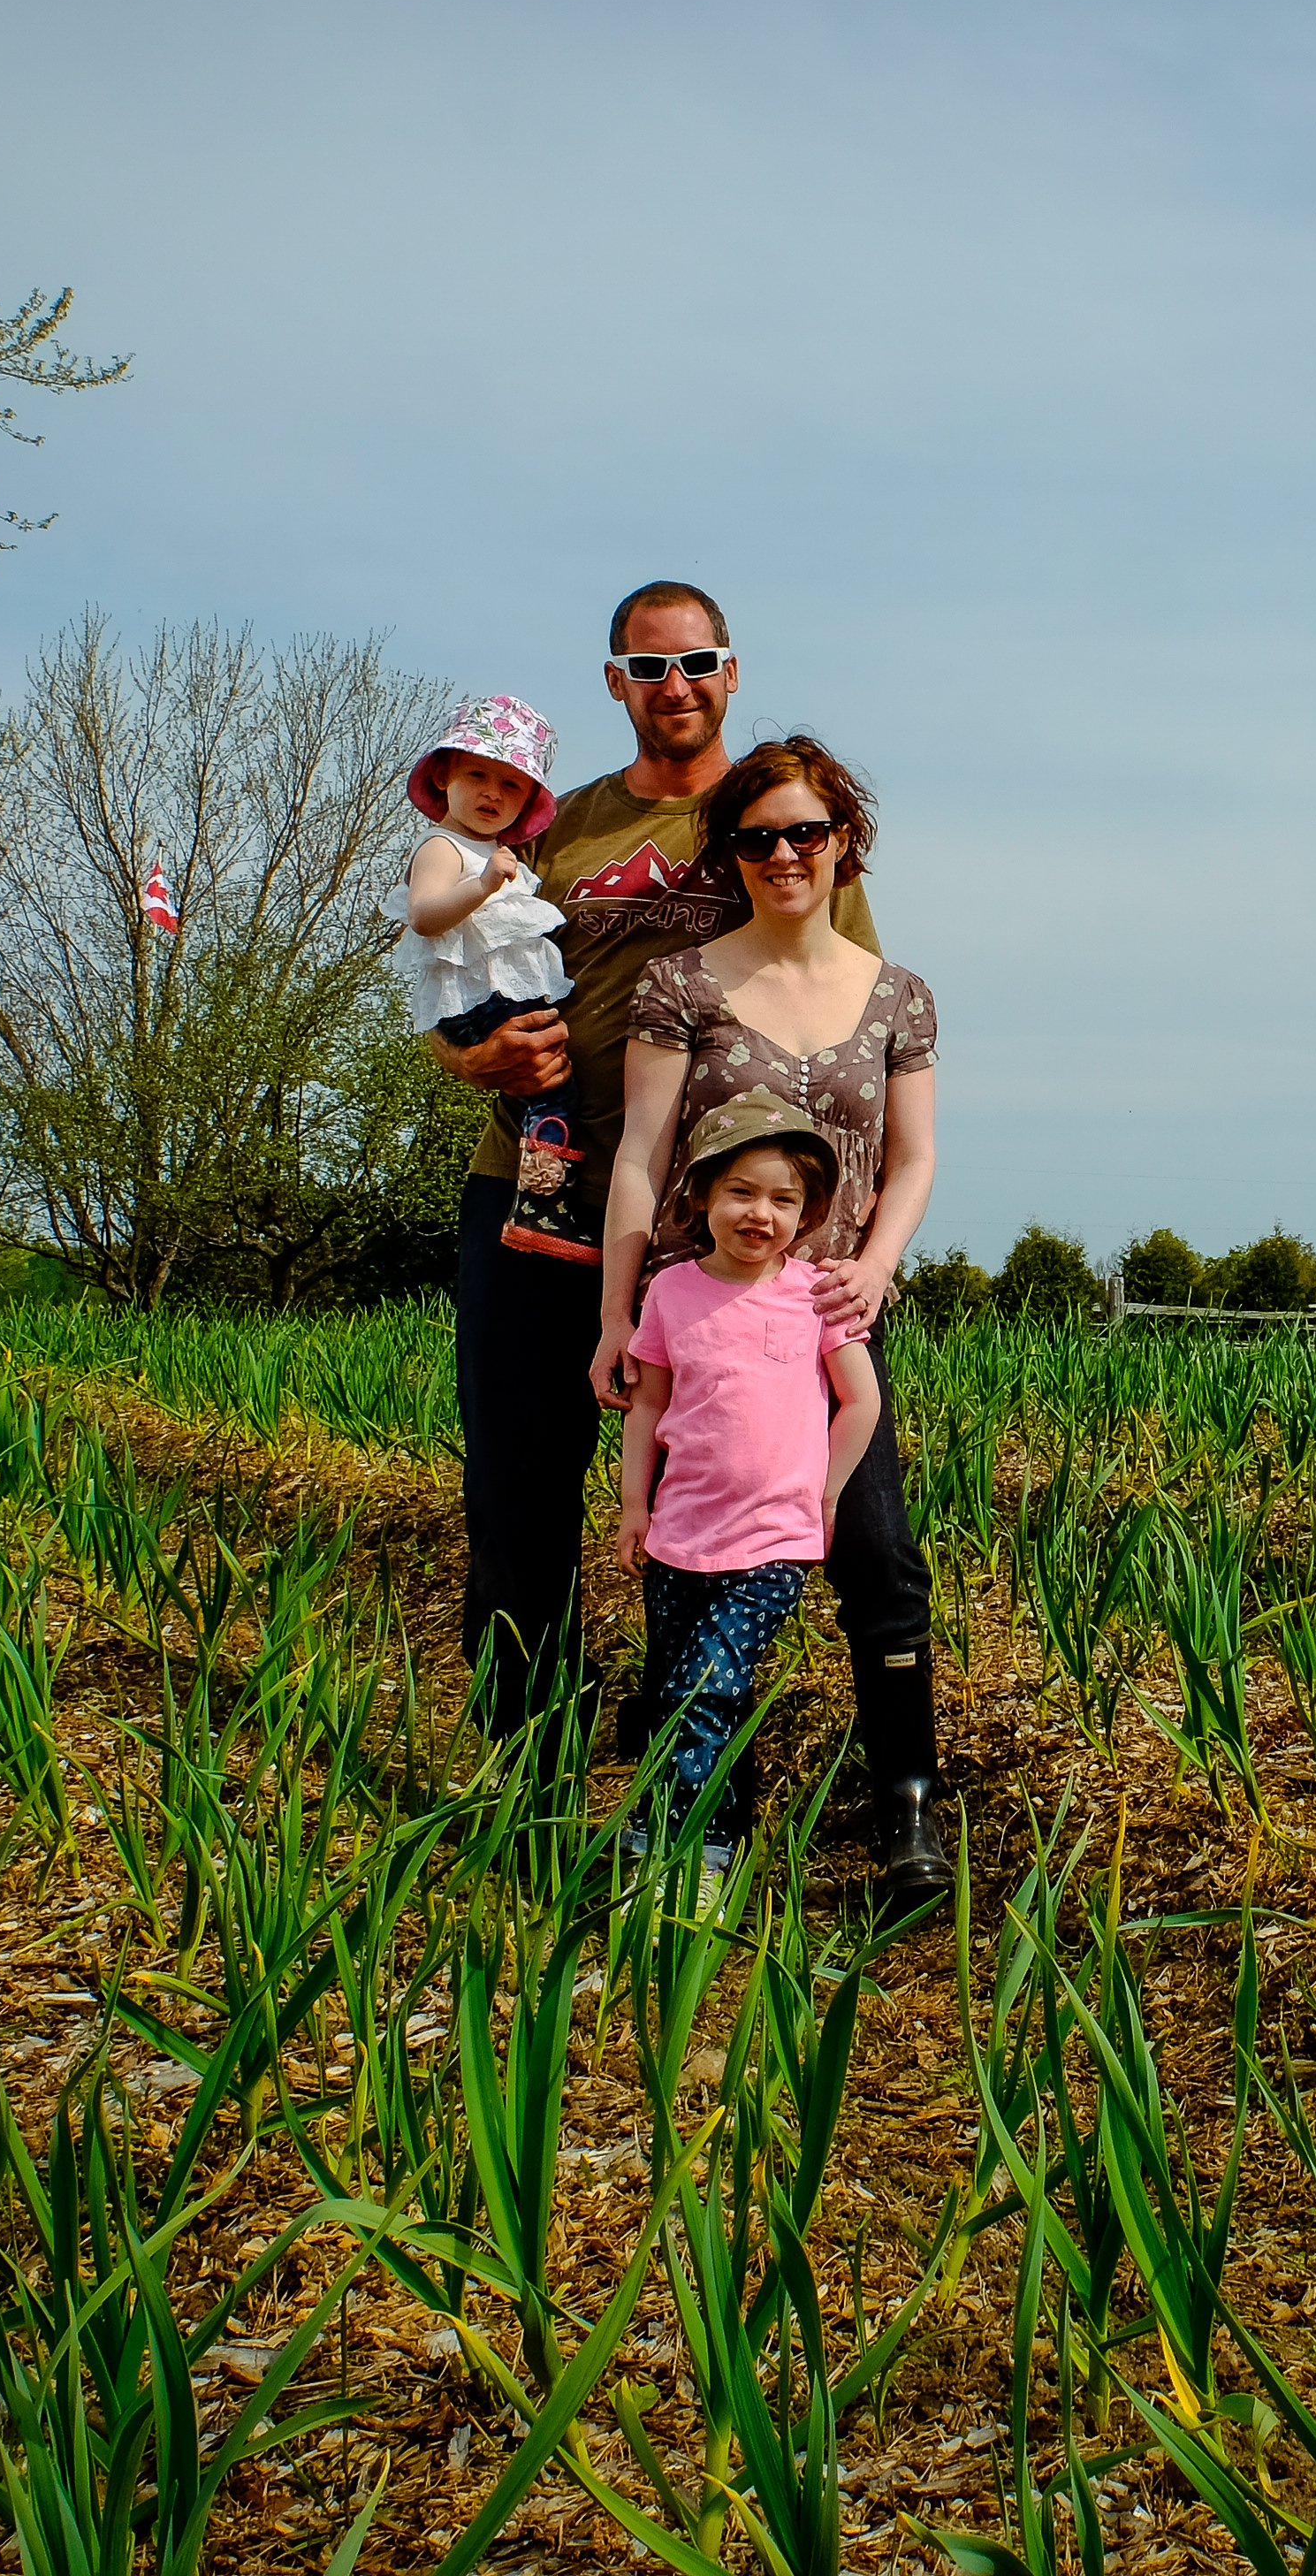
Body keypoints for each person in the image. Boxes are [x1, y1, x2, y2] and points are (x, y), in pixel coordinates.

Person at [427, 583, 950, 1902]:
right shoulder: (561, 825)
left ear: (732, 672)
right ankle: (532, 1799)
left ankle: (739, 1791)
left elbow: (851, 1023)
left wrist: (856, 1245)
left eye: (699, 661)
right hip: (545, 1203)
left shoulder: (781, 816)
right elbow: (457, 970)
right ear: (614, 682)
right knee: (520, 1515)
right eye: (648, 666)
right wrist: (470, 1055)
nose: (677, 684)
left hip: (737, 1240)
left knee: (765, 1516)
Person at [594, 730, 943, 1895]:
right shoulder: (680, 986)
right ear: (731, 856)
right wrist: (616, 1315)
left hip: (832, 1314)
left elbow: (913, 1156)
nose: (785, 854)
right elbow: (641, 1157)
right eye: (758, 838)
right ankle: (703, 1820)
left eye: (808, 831)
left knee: (879, 1555)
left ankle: (905, 1814)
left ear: (846, 844)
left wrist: (879, 1265)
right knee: (687, 1564)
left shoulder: (898, 996)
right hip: (705, 1319)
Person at [612, 1090, 886, 1885]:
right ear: (700, 1197)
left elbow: (860, 1399)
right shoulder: (668, 1292)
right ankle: (722, 1834)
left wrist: (827, 1496)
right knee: (683, 1694)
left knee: (705, 1688)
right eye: (740, 1191)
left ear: (807, 1215)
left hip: (772, 1540)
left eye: (783, 1199)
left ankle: (676, 1851)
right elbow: (648, 1406)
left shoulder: (816, 1292)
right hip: (677, 1536)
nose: (759, 1213)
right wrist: (635, 1506)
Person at [389, 694, 587, 1260]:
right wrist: (482, 886)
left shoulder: (495, 852)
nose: (492, 793)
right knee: (556, 1091)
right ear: (445, 772)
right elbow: (425, 917)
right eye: (478, 773)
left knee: (553, 1088)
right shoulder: (442, 847)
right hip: (478, 1001)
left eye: (512, 785)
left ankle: (545, 1201)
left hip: (497, 994)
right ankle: (542, 1206)